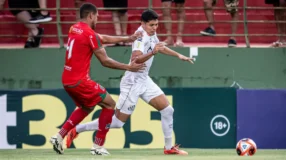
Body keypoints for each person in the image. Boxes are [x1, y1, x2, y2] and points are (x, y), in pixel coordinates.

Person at [65, 9, 194, 155]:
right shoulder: (140, 38)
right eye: (152, 25)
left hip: (144, 79)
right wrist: (153, 52)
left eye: (157, 25)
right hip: (132, 81)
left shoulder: (152, 32)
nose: (155, 28)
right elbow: (135, 60)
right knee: (118, 123)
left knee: (167, 110)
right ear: (143, 24)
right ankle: (77, 129)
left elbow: (159, 47)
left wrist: (178, 55)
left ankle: (169, 148)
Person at [49, 2, 145, 155]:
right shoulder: (89, 34)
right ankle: (97, 146)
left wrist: (129, 38)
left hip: (67, 80)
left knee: (86, 107)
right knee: (109, 104)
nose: (98, 20)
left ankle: (59, 136)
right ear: (91, 15)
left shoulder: (74, 28)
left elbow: (102, 38)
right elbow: (105, 61)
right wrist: (129, 67)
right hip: (80, 81)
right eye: (97, 17)